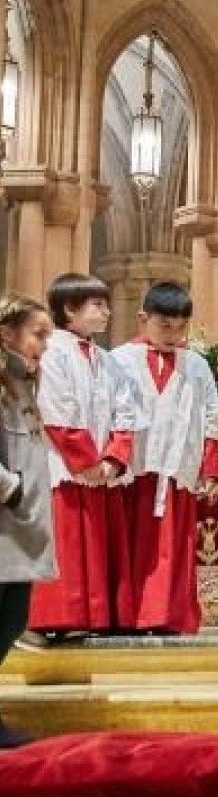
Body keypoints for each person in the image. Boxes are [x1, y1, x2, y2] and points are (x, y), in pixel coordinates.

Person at [110, 282, 218, 635]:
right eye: (164, 326)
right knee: (129, 543)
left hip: (175, 467)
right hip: (134, 468)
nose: (173, 335)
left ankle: (169, 615)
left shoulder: (197, 365)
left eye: (180, 327)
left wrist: (210, 463)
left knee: (171, 545)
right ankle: (127, 615)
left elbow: (210, 415)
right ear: (144, 319)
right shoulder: (119, 360)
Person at [28, 274, 136, 636]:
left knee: (97, 543)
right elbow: (57, 410)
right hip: (64, 464)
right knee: (69, 543)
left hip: (100, 468)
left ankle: (96, 616)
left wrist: (113, 458)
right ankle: (62, 616)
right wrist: (87, 461)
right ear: (69, 309)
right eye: (97, 305)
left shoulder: (107, 360)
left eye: (106, 304)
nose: (106, 312)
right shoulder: (52, 354)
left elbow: (126, 411)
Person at [0, 296, 55, 745]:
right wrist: (12, 489)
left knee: (14, 619)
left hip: (19, 529)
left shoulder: (25, 384)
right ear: (7, 334)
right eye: (39, 334)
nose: (45, 344)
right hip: (3, 524)